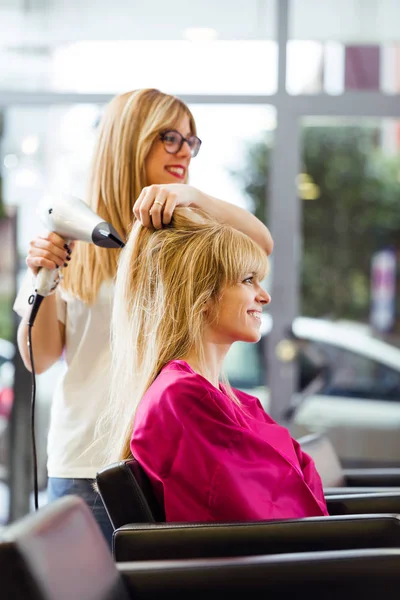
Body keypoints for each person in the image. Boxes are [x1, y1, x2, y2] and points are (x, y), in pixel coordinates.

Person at [13, 88, 274, 547]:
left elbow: (261, 244)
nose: (184, 151)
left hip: (165, 458)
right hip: (84, 462)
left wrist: (191, 195)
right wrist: (45, 276)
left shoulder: (182, 233)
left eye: (192, 141)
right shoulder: (74, 231)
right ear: (129, 140)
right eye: (169, 137)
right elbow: (41, 358)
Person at [103, 207, 328, 523]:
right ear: (203, 295)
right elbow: (267, 513)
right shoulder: (183, 398)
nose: (264, 296)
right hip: (242, 569)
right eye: (248, 280)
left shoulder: (218, 396)